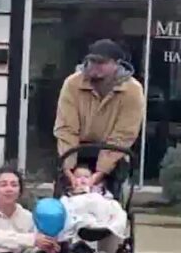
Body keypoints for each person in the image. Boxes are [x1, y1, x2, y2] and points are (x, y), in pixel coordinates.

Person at [54, 39, 146, 196]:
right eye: (92, 61)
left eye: (101, 62)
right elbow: (66, 128)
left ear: (117, 64)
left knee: (111, 195)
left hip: (113, 150)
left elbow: (124, 134)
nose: (95, 66)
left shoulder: (132, 90)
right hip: (75, 148)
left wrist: (99, 174)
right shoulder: (72, 84)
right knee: (63, 193)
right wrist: (69, 170)